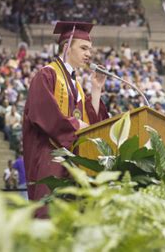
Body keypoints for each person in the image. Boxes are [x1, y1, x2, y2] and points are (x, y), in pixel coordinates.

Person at [22, 21, 108, 216]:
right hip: (50, 155)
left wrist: (96, 89)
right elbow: (42, 112)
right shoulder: (47, 75)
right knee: (49, 215)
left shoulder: (75, 84)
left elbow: (91, 124)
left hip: (72, 159)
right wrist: (77, 124)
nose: (89, 54)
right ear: (67, 47)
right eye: (84, 48)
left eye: (90, 49)